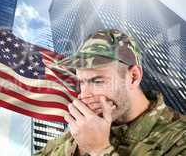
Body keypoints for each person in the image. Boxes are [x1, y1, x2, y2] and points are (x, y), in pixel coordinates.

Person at [34, 29, 186, 156]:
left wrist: (99, 150)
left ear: (133, 77)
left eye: (97, 81)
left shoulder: (179, 137)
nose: (84, 96)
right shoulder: (86, 127)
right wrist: (79, 148)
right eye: (81, 82)